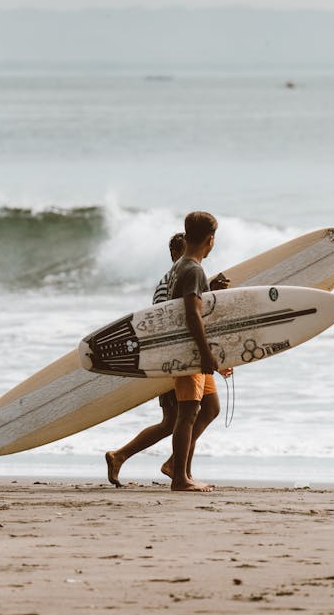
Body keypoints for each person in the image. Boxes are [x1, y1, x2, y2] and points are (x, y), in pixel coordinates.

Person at [105, 229, 229, 488]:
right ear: (174, 253)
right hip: (177, 357)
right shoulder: (167, 283)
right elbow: (173, 322)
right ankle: (126, 456)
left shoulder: (189, 277)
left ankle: (177, 467)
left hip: (194, 355)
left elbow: (197, 311)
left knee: (209, 409)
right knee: (175, 420)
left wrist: (210, 291)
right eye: (181, 250)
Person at [166, 211, 228, 492]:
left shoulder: (182, 267)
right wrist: (205, 353)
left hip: (191, 348)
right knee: (188, 413)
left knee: (210, 407)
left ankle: (184, 473)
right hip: (190, 350)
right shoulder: (193, 269)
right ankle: (180, 478)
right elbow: (192, 314)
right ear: (210, 240)